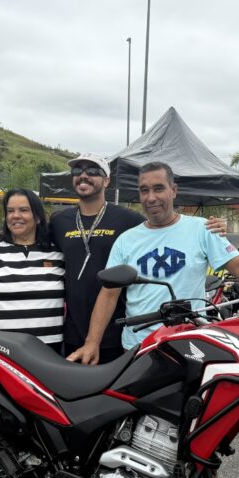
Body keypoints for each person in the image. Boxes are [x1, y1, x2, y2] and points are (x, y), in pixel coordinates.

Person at [72, 161, 239, 478]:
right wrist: (92, 342)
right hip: (141, 347)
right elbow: (109, 293)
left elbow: (238, 268)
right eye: (145, 191)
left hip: (193, 346)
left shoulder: (201, 230)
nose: (151, 197)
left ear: (173, 190)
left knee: (202, 429)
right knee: (131, 428)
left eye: (158, 189)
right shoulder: (127, 240)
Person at [50, 154, 145, 363]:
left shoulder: (129, 219)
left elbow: (163, 228)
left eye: (92, 171)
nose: (83, 176)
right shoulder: (59, 220)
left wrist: (209, 226)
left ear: (107, 181)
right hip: (73, 331)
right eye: (78, 171)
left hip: (116, 331)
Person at [0, 188, 68, 347]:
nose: (15, 216)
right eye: (10, 211)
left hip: (48, 351)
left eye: (23, 210)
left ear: (38, 217)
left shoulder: (57, 253)